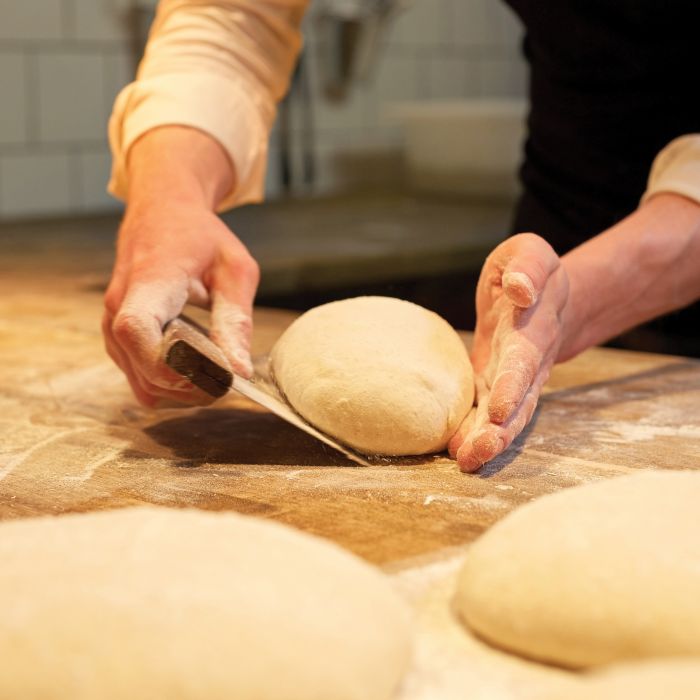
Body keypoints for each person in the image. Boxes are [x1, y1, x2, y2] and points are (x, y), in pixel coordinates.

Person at [103, 1, 700, 472]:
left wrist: (582, 297)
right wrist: (170, 195)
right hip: (561, 206)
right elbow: (233, 19)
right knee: (524, 315)